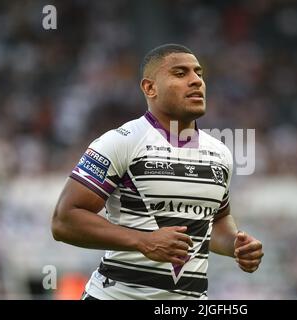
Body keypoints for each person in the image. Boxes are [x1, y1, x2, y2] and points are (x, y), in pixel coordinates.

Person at [51, 43, 264, 300]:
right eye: (180, 73)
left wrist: (235, 245)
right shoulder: (120, 142)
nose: (196, 80)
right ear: (150, 88)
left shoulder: (220, 153)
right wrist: (144, 241)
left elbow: (216, 221)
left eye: (199, 73)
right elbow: (64, 220)